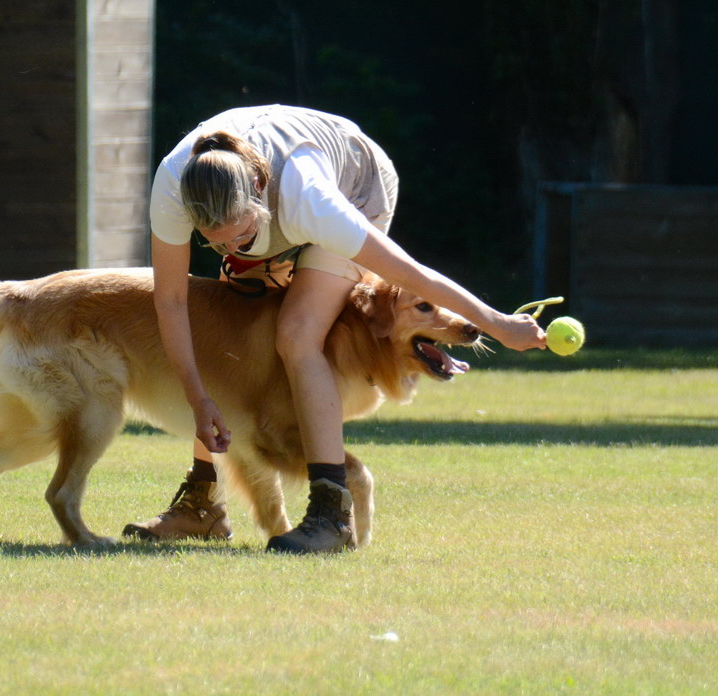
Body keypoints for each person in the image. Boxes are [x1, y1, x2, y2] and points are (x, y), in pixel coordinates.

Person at [121, 105, 545, 553]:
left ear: (259, 194)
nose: (228, 250)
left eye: (239, 236)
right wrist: (196, 395)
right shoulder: (174, 187)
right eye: (214, 241)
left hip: (357, 182)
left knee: (297, 333)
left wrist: (497, 324)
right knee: (234, 338)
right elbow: (170, 301)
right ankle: (202, 502)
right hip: (267, 193)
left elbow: (413, 276)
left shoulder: (313, 203)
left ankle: (330, 515)